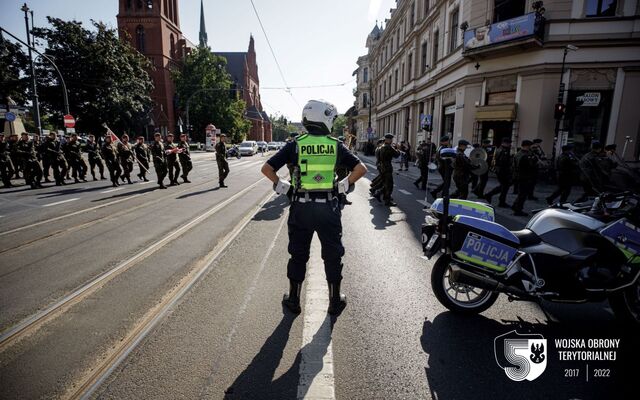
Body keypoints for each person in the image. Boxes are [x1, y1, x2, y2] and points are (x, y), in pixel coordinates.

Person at [261, 99, 367, 315]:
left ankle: (293, 300)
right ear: (325, 118)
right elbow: (361, 168)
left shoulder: (295, 144)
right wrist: (342, 186)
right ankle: (335, 301)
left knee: (298, 254)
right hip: (328, 208)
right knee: (333, 254)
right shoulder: (335, 144)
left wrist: (286, 189)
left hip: (301, 208)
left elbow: (267, 168)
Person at [483, 137, 513, 208]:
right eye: (508, 143)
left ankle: (492, 196)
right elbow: (504, 162)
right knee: (505, 186)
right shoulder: (504, 151)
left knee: (504, 186)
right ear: (504, 143)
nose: (509, 145)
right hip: (503, 171)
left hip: (500, 170)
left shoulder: (499, 149)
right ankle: (498, 200)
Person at [511, 140, 539, 216]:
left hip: (521, 176)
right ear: (526, 146)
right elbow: (527, 166)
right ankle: (518, 210)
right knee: (523, 194)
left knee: (522, 193)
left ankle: (515, 206)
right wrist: (534, 161)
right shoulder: (523, 155)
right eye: (530, 146)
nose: (530, 148)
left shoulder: (521, 153)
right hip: (523, 176)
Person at [378, 133, 401, 206]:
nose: (392, 140)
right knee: (389, 185)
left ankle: (379, 194)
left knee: (385, 183)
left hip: (382, 167)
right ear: (388, 139)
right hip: (387, 167)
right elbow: (396, 155)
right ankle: (387, 201)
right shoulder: (388, 147)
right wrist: (398, 148)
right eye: (391, 139)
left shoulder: (382, 146)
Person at [335, 136, 352, 205]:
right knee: (343, 184)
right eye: (345, 141)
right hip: (342, 168)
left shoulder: (337, 148)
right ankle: (342, 199)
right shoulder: (342, 149)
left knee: (341, 183)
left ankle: (340, 198)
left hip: (339, 168)